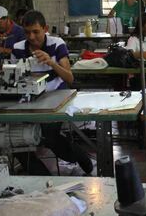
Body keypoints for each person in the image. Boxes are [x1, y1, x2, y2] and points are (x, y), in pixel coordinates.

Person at [11, 11, 92, 175]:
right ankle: (43, 179)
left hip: (56, 95)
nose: (31, 37)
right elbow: (13, 80)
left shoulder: (56, 44)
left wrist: (51, 62)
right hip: (30, 99)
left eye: (36, 32)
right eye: (27, 32)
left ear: (45, 28)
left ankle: (83, 159)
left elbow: (69, 77)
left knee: (49, 136)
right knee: (14, 138)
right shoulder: (18, 49)